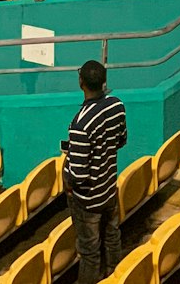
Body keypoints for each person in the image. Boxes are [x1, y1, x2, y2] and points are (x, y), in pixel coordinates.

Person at [62, 59, 127, 284]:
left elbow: (78, 174)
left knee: (89, 253)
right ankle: (115, 277)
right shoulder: (117, 105)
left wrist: (67, 180)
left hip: (88, 200)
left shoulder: (80, 124)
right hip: (109, 189)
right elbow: (121, 140)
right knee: (112, 237)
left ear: (81, 82)